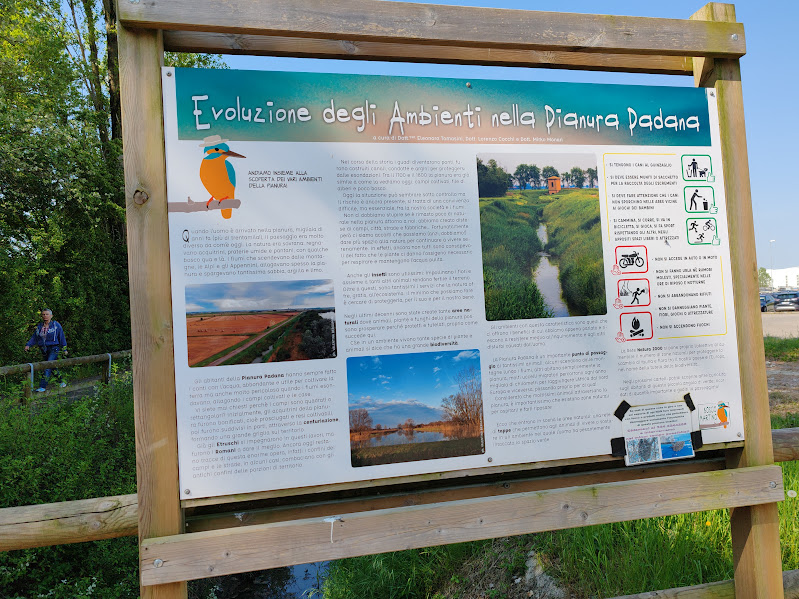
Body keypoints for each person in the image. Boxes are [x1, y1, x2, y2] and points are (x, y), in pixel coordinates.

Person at [24, 308, 68, 392]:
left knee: (47, 366)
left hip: (54, 348)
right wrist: (28, 345)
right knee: (52, 367)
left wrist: (64, 348)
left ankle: (42, 386)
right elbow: (34, 337)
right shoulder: (40, 326)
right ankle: (61, 382)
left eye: (47, 314)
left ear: (51, 316)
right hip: (44, 349)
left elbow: (61, 336)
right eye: (43, 314)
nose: (45, 316)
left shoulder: (56, 325)